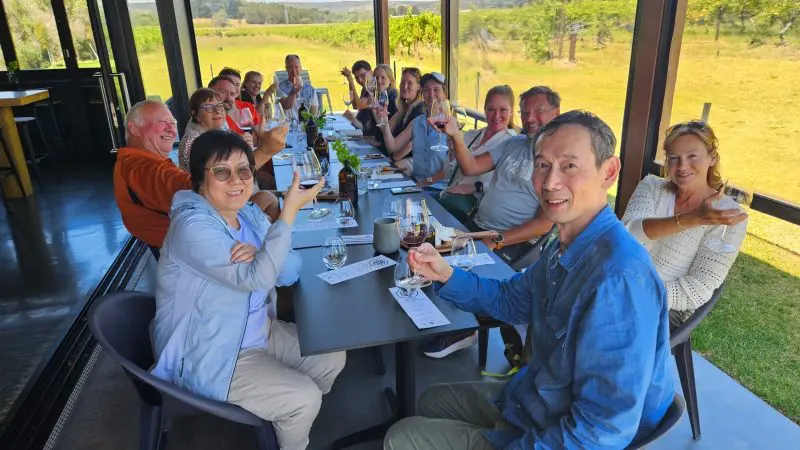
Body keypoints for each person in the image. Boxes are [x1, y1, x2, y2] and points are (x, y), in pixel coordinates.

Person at [385, 110, 674, 450]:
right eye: (542, 165)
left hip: (551, 431)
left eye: (569, 166)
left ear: (608, 172)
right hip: (533, 400)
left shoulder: (619, 280)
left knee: (399, 437)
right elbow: (510, 300)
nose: (550, 182)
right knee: (430, 400)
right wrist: (445, 274)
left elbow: (601, 430)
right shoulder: (563, 243)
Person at [151, 130, 345, 450]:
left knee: (331, 356)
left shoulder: (247, 216)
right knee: (304, 398)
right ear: (200, 178)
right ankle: (292, 419)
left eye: (244, 171)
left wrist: (261, 255)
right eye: (221, 172)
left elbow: (289, 272)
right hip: (211, 351)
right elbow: (256, 279)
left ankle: (280, 415)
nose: (236, 181)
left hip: (257, 332)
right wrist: (287, 217)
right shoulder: (193, 227)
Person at [113, 99, 286, 256]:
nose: (171, 129)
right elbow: (203, 188)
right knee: (270, 202)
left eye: (172, 123)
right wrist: (266, 151)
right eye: (161, 122)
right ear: (134, 128)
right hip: (201, 246)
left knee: (268, 198)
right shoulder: (140, 168)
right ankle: (274, 267)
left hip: (202, 228)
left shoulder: (141, 161)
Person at [622, 120, 748, 328]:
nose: (682, 166)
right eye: (674, 158)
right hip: (618, 284)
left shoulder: (728, 216)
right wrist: (691, 219)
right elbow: (625, 237)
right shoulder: (652, 187)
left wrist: (637, 292)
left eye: (692, 156)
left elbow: (698, 288)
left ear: (712, 158)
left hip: (666, 306)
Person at [440, 85, 558, 261]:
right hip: (478, 228)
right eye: (525, 112)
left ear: (556, 113)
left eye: (538, 110)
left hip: (510, 244)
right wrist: (456, 136)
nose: (530, 118)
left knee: (452, 275)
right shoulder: (514, 143)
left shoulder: (556, 160)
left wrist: (497, 240)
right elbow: (471, 167)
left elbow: (543, 224)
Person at [178, 88, 280, 220]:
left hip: (233, 196)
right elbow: (222, 177)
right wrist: (266, 149)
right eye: (209, 107)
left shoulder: (217, 132)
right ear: (195, 114)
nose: (218, 111)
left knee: (279, 198)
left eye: (220, 106)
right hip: (217, 208)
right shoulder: (193, 141)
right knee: (272, 200)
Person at [378, 72, 449, 181]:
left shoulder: (451, 125)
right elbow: (392, 146)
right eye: (426, 90)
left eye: (436, 89)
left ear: (445, 94)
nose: (431, 94)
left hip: (439, 189)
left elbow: (452, 168)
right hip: (416, 184)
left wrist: (425, 183)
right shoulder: (417, 122)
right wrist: (384, 119)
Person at [349, 64, 398, 149]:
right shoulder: (374, 94)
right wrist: (353, 120)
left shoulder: (393, 99)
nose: (379, 81)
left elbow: (390, 131)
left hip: (384, 147)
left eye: (383, 77)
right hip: (372, 140)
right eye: (376, 77)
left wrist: (374, 110)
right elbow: (369, 129)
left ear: (390, 80)